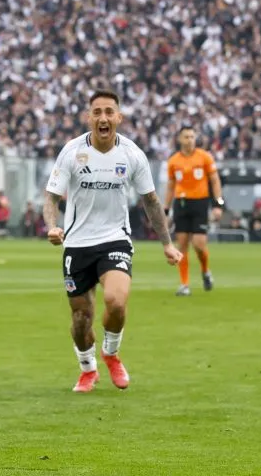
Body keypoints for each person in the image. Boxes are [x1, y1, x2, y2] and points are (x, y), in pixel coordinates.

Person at [43, 89, 182, 393]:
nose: (103, 118)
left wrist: (167, 243)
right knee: (81, 319)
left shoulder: (132, 154)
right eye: (97, 112)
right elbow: (52, 195)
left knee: (116, 301)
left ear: (119, 117)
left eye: (109, 112)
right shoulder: (71, 151)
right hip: (77, 245)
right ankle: (87, 368)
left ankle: (111, 352)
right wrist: (52, 226)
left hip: (114, 240)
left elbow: (151, 201)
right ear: (88, 117)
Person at [164, 126, 224, 296]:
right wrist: (166, 209)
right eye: (186, 137)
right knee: (181, 244)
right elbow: (170, 186)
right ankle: (184, 285)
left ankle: (205, 271)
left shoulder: (204, 157)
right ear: (180, 140)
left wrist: (218, 204)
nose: (190, 140)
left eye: (192, 136)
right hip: (181, 204)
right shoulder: (174, 161)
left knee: (198, 244)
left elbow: (215, 181)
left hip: (200, 203)